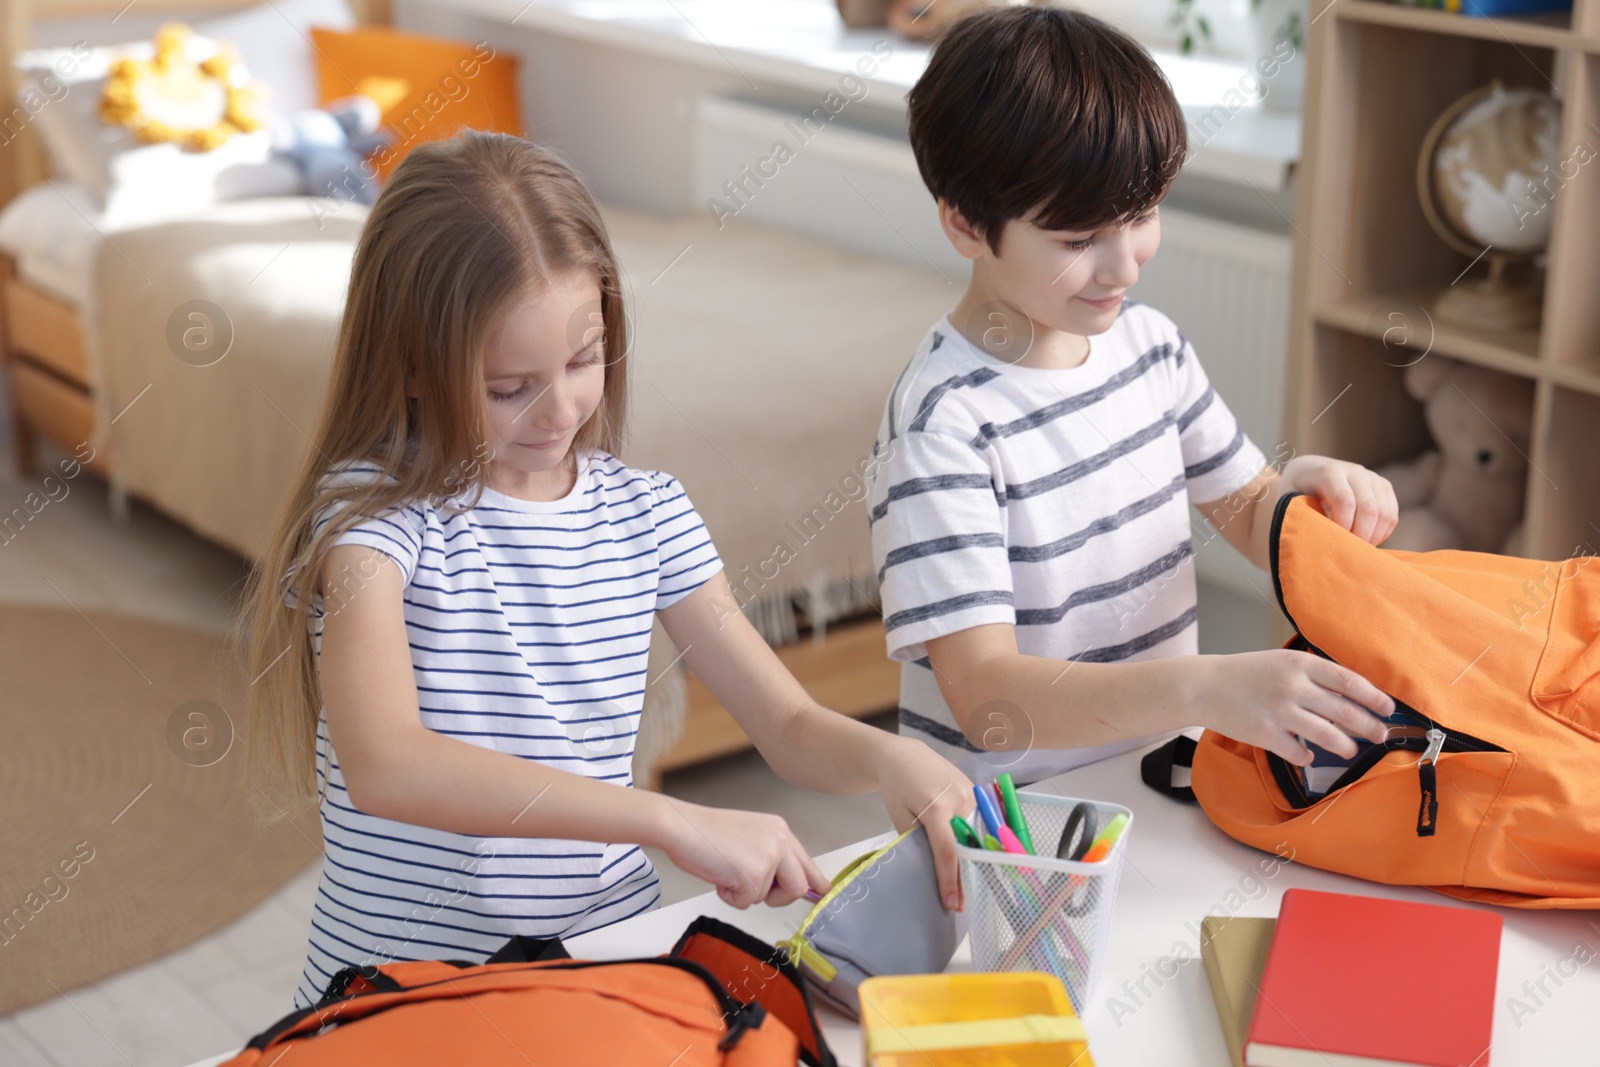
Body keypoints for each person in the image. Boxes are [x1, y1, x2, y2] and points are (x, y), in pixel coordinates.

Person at [241, 132, 973, 1010]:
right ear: (406, 364)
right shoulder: (372, 521)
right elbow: (388, 764)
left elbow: (787, 723)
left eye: (584, 360)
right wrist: (671, 818)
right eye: (510, 386)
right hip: (401, 990)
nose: (560, 410)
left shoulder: (647, 511)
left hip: (598, 960)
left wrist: (893, 758)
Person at [866, 7, 1401, 786]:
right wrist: (1209, 688)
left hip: (1157, 776)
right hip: (1019, 829)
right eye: (1080, 239)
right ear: (965, 224)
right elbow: (987, 697)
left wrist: (1305, 496)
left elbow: (1248, 505)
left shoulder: (1150, 347)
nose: (1125, 267)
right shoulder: (942, 428)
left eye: (1142, 216)